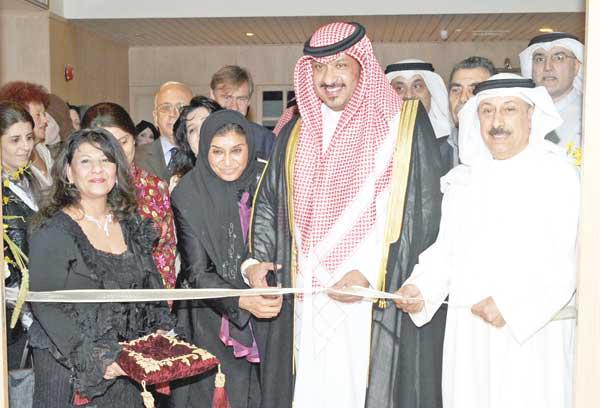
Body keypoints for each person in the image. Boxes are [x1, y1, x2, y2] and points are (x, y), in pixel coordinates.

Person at [244, 22, 446, 408]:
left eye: (340, 65)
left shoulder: (400, 125)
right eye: (319, 68)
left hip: (367, 294)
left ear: (362, 67)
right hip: (305, 292)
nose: (328, 78)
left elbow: (418, 213)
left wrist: (369, 271)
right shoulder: (297, 132)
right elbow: (270, 202)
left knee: (359, 389)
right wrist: (256, 263)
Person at [395, 73, 578, 408]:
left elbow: (566, 263)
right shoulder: (463, 181)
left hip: (531, 338)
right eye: (487, 111)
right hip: (470, 340)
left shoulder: (558, 176)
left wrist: (511, 306)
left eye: (509, 109)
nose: (497, 123)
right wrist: (420, 288)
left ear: (531, 115)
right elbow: (446, 253)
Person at [28, 128, 174, 407]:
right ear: (68, 173)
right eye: (85, 161)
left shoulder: (131, 224)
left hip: (127, 365)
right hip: (71, 367)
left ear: (117, 170)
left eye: (106, 160)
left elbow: (151, 287)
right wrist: (98, 360)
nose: (97, 169)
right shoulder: (52, 229)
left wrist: (160, 332)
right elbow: (46, 306)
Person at [170, 110, 271, 408]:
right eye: (217, 151)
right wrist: (241, 300)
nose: (228, 161)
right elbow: (196, 271)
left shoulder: (266, 181)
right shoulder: (189, 193)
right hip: (210, 316)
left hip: (268, 310)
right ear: (204, 150)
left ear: (250, 147)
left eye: (236, 150)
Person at [81, 102, 178, 289]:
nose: (117, 151)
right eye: (106, 145)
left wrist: (162, 300)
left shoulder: (155, 187)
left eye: (123, 141)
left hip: (150, 297)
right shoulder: (81, 191)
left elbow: (165, 252)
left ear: (134, 139)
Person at [0, 101, 40, 369]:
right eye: (15, 140)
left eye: (29, 137)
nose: (25, 146)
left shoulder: (27, 178)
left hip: (34, 302)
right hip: (13, 314)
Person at [385, 59, 454, 171]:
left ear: (431, 92)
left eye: (417, 86)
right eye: (399, 88)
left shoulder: (450, 141)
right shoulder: (378, 142)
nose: (409, 96)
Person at [519, 32, 583, 151]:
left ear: (576, 66)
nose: (547, 67)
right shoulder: (518, 112)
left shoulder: (590, 113)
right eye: (540, 59)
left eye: (559, 58)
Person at [209, 65, 275, 157]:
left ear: (249, 101)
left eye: (241, 99)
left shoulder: (265, 142)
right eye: (227, 97)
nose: (234, 107)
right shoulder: (197, 135)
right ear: (212, 96)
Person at [134, 81, 193, 181]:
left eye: (181, 108)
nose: (173, 114)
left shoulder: (204, 156)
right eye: (165, 108)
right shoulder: (136, 157)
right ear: (155, 117)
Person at [0, 81, 54, 189]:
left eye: (44, 114)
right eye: (38, 115)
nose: (45, 120)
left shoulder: (42, 150)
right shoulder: (15, 159)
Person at [447, 56, 497, 166]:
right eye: (456, 90)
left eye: (474, 90)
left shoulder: (509, 149)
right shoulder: (435, 150)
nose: (462, 98)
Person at [169, 95, 222, 187]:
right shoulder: (181, 184)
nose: (200, 133)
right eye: (192, 130)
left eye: (205, 124)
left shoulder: (241, 173)